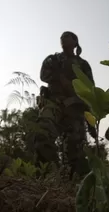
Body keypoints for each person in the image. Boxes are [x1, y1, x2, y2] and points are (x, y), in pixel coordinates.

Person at [32, 31, 95, 178]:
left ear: (75, 42)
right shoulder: (53, 59)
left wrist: (90, 118)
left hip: (75, 108)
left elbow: (90, 88)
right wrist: (60, 78)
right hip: (54, 103)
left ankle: (73, 185)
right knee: (42, 133)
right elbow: (43, 75)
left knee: (76, 152)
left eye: (68, 36)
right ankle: (46, 176)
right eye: (62, 37)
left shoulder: (83, 64)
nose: (63, 39)